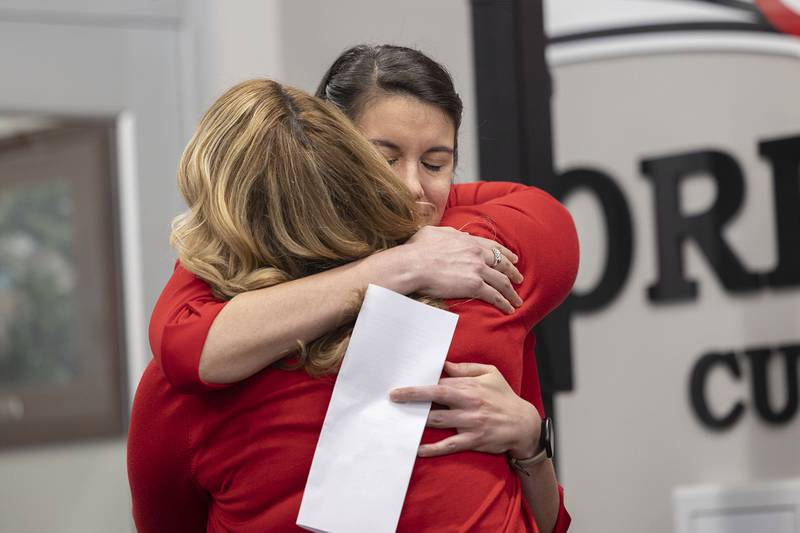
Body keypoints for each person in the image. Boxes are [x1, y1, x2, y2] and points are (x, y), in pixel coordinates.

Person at [141, 45, 577, 531]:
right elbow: (188, 342)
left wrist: (529, 440)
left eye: (436, 164)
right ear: (327, 151)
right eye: (383, 158)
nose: (411, 187)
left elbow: (545, 521)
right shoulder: (470, 273)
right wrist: (403, 265)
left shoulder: (476, 273)